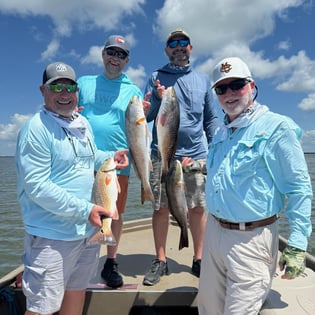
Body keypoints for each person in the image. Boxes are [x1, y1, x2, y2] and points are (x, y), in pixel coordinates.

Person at [198, 57, 313, 315]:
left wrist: (296, 244)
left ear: (252, 86)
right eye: (221, 88)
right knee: (207, 309)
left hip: (252, 239)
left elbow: (299, 188)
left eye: (236, 85)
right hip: (214, 232)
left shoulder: (277, 128)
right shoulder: (221, 132)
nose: (229, 94)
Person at [15, 61, 129, 315]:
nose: (64, 94)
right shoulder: (36, 129)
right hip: (51, 236)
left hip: (86, 231)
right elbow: (36, 185)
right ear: (42, 90)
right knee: (41, 307)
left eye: (70, 87)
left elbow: (89, 156)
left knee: (76, 292)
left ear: (77, 90)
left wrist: (110, 156)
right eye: (56, 86)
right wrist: (85, 209)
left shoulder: (81, 123)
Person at [142, 28, 219, 286]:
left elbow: (210, 118)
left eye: (183, 42)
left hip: (196, 154)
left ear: (190, 48)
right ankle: (161, 260)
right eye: (172, 43)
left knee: (198, 208)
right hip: (163, 155)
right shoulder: (155, 77)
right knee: (160, 207)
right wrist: (155, 96)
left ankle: (199, 259)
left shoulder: (202, 79)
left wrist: (216, 150)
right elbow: (148, 115)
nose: (178, 47)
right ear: (166, 50)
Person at [77, 35, 144, 288]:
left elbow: (139, 128)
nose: (115, 58)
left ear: (127, 60)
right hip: (82, 158)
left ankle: (110, 262)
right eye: (111, 52)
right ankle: (79, 256)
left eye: (121, 55)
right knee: (80, 209)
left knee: (115, 213)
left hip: (118, 161)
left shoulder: (133, 91)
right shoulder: (84, 83)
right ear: (102, 54)